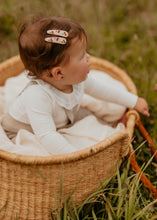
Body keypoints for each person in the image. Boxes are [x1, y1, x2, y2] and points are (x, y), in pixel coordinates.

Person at [1, 16, 150, 155]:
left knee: (92, 116)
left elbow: (103, 91)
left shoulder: (76, 79)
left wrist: (133, 100)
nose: (88, 57)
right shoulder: (37, 96)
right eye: (81, 56)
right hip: (27, 129)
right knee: (41, 151)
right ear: (59, 74)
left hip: (63, 117)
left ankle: (113, 126)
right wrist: (74, 156)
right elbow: (47, 136)